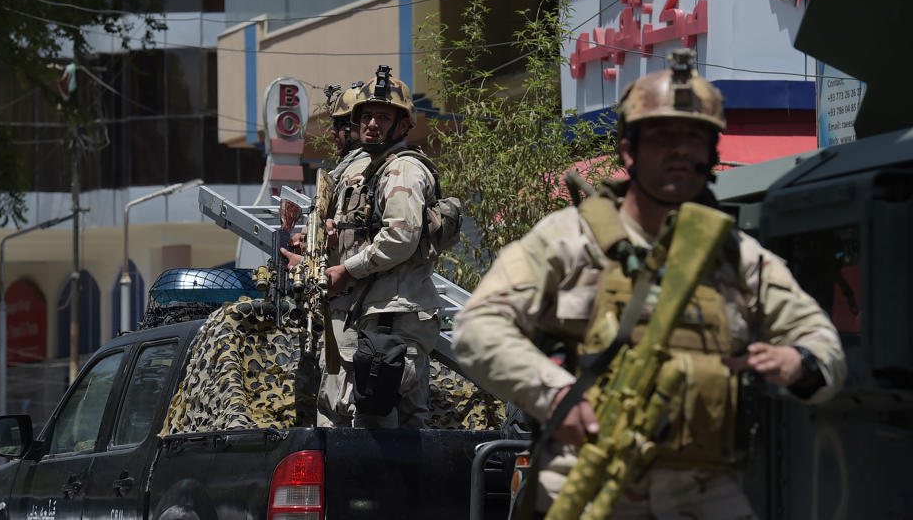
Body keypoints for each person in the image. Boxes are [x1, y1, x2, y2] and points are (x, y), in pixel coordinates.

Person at [452, 49, 846, 518]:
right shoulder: (570, 239)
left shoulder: (738, 257)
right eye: (662, 137)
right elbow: (477, 327)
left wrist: (796, 361)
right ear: (628, 150)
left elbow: (824, 347)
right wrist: (554, 392)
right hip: (587, 486)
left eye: (695, 138)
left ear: (712, 152)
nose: (680, 150)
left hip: (705, 497)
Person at [316, 65, 442, 429]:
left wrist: (346, 269)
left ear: (403, 125)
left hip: (395, 314)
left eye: (382, 117)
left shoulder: (401, 169)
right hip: (384, 313)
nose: (371, 124)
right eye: (366, 116)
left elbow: (401, 237)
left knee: (377, 425)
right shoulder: (375, 168)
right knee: (390, 422)